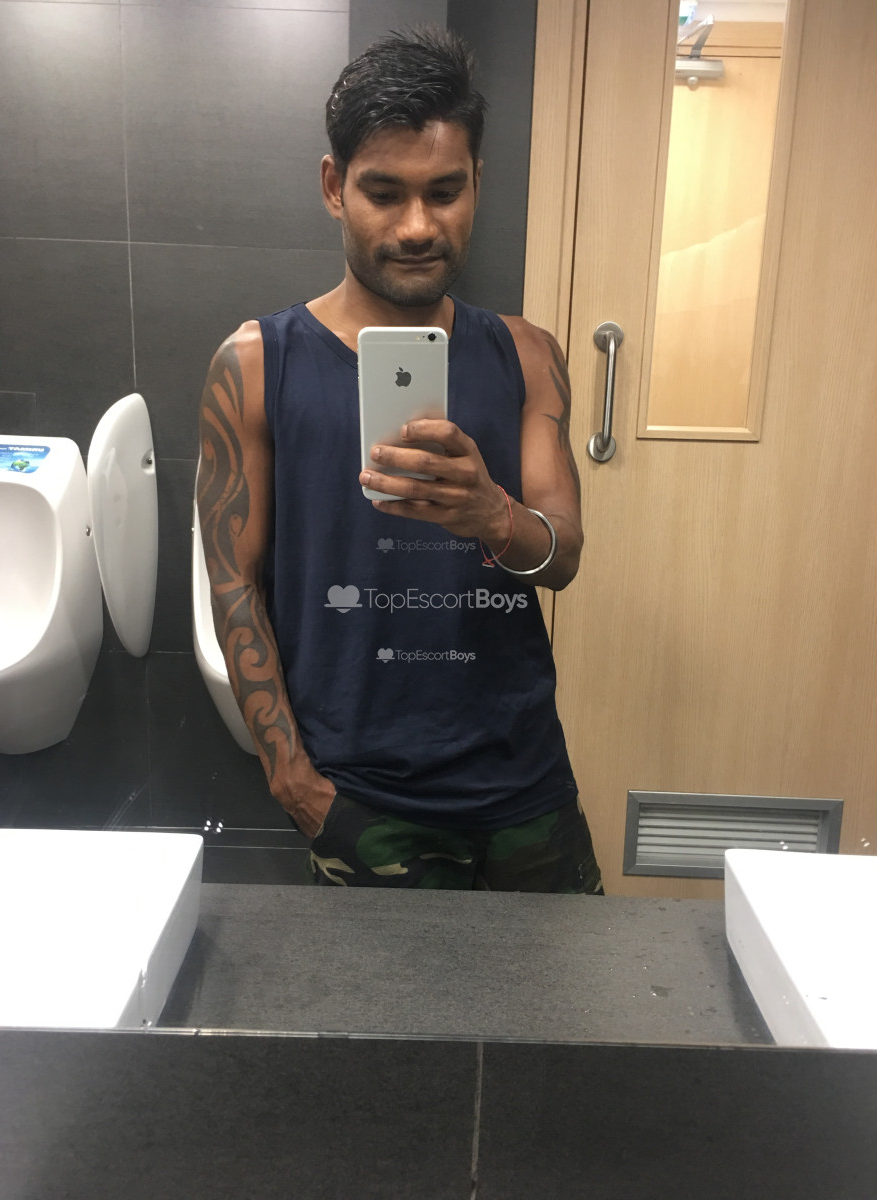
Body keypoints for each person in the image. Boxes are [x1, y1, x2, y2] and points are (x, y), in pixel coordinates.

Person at [197, 28, 602, 893]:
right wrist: (295, 783)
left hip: (526, 784)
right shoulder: (257, 363)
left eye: (444, 192)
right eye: (384, 193)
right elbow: (232, 582)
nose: (418, 226)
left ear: (477, 183)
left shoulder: (528, 355)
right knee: (381, 995)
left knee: (562, 984)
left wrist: (492, 515)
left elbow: (563, 557)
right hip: (360, 798)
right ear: (334, 187)